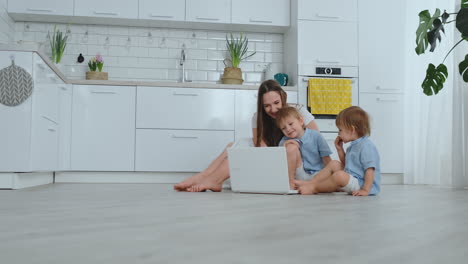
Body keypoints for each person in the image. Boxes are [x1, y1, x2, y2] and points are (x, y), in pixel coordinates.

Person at [174, 79, 319, 192]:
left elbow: (316, 143)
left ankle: (212, 179)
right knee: (235, 145)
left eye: (276, 103)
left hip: (295, 161)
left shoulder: (299, 112)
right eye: (267, 106)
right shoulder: (258, 118)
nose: (273, 109)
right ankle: (205, 176)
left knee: (241, 146)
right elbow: (260, 149)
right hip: (273, 157)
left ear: (283, 97)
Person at [295, 106, 381, 196]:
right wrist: (339, 149)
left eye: (340, 130)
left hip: (363, 184)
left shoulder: (366, 146)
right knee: (334, 164)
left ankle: (314, 188)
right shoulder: (353, 146)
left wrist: (365, 190)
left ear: (352, 130)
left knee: (339, 176)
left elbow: (370, 170)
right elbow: (347, 165)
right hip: (355, 178)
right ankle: (311, 183)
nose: (338, 133)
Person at [275, 106, 332, 189]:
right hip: (299, 174)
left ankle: (310, 184)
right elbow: (280, 161)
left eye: (291, 124)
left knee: (335, 165)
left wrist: (331, 175)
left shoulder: (316, 136)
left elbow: (327, 159)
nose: (288, 129)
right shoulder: (284, 140)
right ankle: (290, 183)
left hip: (318, 174)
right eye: (283, 128)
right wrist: (285, 145)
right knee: (291, 148)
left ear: (301, 121)